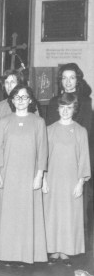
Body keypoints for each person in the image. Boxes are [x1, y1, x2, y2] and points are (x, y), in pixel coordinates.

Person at [0, 85, 48, 265]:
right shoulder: (4, 121)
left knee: (26, 215)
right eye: (17, 97)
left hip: (29, 176)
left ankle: (25, 254)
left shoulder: (38, 122)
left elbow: (42, 151)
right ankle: (8, 254)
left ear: (30, 100)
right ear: (12, 101)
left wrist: (39, 176)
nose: (21, 100)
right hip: (8, 175)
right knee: (9, 215)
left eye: (24, 97)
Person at [43, 93, 91, 266]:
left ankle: (65, 251)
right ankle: (54, 250)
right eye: (62, 107)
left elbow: (84, 158)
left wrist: (80, 182)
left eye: (69, 108)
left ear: (74, 109)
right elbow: (43, 157)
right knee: (53, 214)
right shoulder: (49, 130)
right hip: (53, 179)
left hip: (71, 181)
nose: (65, 111)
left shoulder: (80, 131)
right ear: (58, 108)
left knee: (68, 216)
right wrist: (44, 179)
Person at [44, 63, 92, 136]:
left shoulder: (86, 101)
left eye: (72, 78)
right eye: (64, 78)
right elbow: (49, 127)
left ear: (77, 80)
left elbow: (87, 130)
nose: (68, 81)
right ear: (61, 80)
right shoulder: (54, 101)